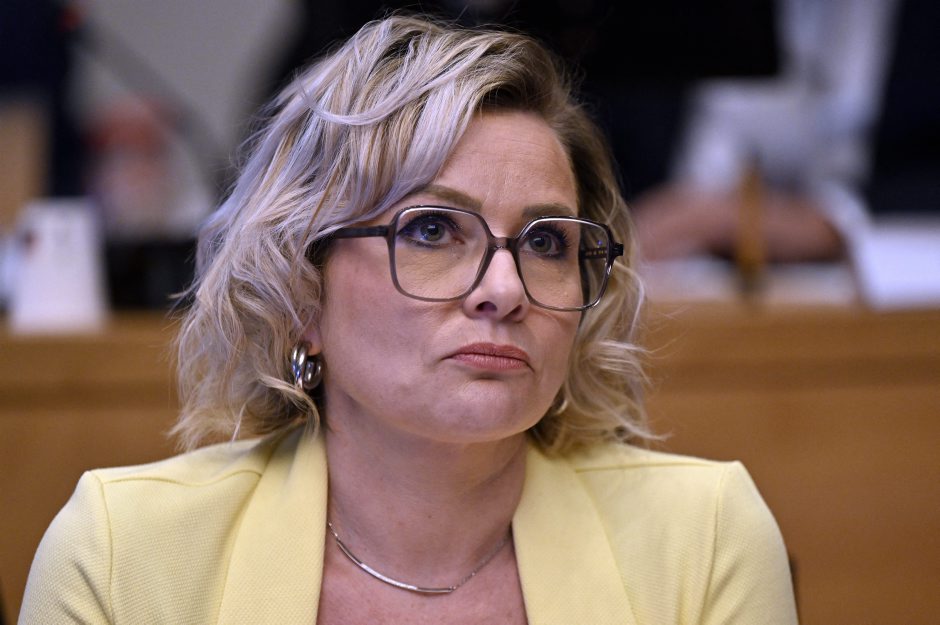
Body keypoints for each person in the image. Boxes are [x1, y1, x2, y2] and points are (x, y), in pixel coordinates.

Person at [19, 16, 798, 624]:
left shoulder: (704, 537)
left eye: (546, 242)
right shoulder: (123, 554)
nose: (505, 289)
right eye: (431, 230)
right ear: (300, 291)